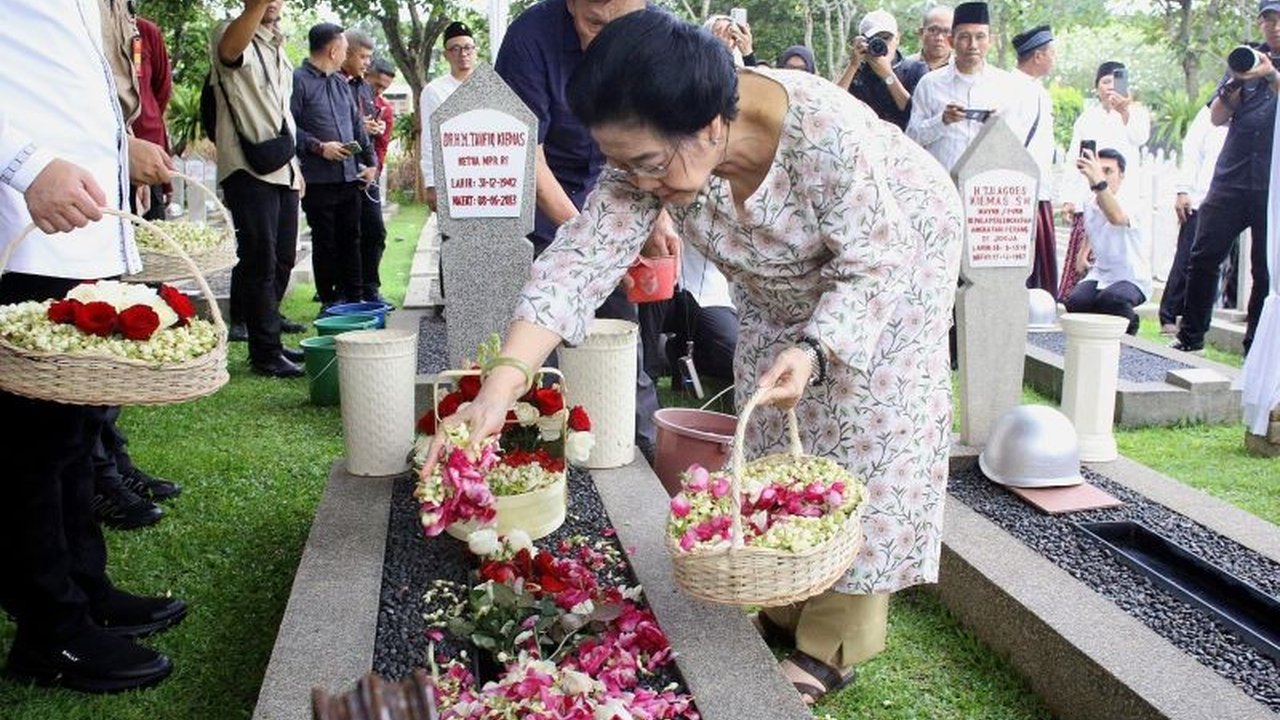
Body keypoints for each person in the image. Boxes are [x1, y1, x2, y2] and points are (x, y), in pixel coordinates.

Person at [437, 10, 962, 705]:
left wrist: (815, 347)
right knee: (771, 415)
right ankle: (783, 582)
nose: (638, 183)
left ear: (713, 125)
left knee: (866, 427)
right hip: (782, 284)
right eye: (621, 164)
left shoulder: (826, 134)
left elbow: (875, 262)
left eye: (648, 164)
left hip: (896, 260)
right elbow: (579, 262)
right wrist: (502, 385)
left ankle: (835, 639)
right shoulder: (650, 155)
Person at [1, 0, 185, 693]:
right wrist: (22, 162)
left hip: (78, 226)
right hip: (21, 225)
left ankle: (84, 590)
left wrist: (118, 148)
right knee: (28, 447)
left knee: (75, 430)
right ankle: (50, 633)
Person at [494, 0, 665, 462]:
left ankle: (637, 448)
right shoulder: (529, 37)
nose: (610, 41)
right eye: (594, 23)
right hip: (549, 207)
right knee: (545, 334)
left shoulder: (656, 32)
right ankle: (543, 451)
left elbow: (665, 138)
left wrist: (660, 213)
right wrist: (589, 240)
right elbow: (526, 151)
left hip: (626, 190)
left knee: (619, 333)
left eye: (623, 26)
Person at [1171, 0, 1278, 355]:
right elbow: (1217, 117)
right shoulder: (1246, 58)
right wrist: (1235, 81)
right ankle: (1191, 338)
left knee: (1264, 272)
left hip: (1273, 185)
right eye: (1269, 20)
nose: (1274, 27)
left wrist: (1270, 76)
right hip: (1231, 178)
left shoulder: (1269, 71)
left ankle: (1256, 349)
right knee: (1203, 256)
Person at [212, 0, 306, 378]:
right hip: (247, 167)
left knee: (283, 258)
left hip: (281, 166)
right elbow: (231, 52)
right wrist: (254, 7)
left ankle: (271, 339)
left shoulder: (278, 44)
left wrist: (295, 167)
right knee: (260, 260)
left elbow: (284, 114)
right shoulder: (230, 32)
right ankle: (264, 352)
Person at [292, 22, 376, 314]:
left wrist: (371, 163)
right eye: (344, 49)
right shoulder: (298, 81)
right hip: (318, 179)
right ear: (332, 50)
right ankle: (329, 301)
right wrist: (319, 146)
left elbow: (357, 127)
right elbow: (290, 129)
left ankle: (355, 297)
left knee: (351, 238)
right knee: (325, 241)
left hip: (348, 176)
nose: (346, 54)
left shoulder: (340, 83)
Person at [1058, 60, 1151, 300]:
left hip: (1122, 196)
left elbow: (1140, 137)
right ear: (1096, 86)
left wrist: (1125, 111)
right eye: (1105, 81)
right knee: (1085, 257)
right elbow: (1073, 158)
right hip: (1089, 193)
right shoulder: (1087, 119)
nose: (1110, 87)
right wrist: (1069, 198)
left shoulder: (1136, 113)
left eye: (1115, 81)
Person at [906, 2, 1033, 172]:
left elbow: (1018, 146)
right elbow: (911, 139)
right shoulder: (930, 84)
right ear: (952, 41)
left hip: (987, 187)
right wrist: (942, 121)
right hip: (942, 188)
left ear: (991, 41)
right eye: (965, 37)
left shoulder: (1007, 87)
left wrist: (998, 127)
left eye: (980, 37)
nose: (973, 45)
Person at [1062, 148, 1151, 335]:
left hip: (1132, 277)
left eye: (1108, 171)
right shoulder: (1090, 200)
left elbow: (1116, 218)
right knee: (1076, 301)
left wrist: (1099, 183)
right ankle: (1098, 336)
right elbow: (1093, 227)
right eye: (1099, 170)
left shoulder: (1133, 201)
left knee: (1111, 299)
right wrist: (1083, 252)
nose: (1102, 176)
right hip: (1101, 273)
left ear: (1122, 175)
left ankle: (1130, 325)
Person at [1159, 105, 1227, 335]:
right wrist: (1183, 189)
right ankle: (1169, 314)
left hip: (1234, 199)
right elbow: (1191, 151)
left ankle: (1197, 320)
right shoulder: (1213, 108)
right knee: (1187, 258)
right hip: (1200, 198)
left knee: (1217, 264)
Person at [638, 245, 738, 387]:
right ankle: (646, 379)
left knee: (732, 355)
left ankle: (680, 353)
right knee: (652, 290)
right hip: (651, 287)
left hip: (707, 294)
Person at [341, 29, 391, 306]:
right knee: (348, 235)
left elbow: (377, 141)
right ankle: (349, 293)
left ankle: (370, 289)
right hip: (342, 171)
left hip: (367, 170)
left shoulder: (363, 89)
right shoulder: (336, 83)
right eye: (363, 57)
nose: (365, 63)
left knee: (375, 231)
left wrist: (374, 166)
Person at [1011, 24, 1059, 293]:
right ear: (1038, 56)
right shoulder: (1012, 88)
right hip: (1022, 193)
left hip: (1038, 189)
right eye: (1051, 53)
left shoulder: (1038, 90)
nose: (1054, 58)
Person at [837, 9, 927, 130]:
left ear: (897, 38)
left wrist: (888, 75)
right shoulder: (855, 72)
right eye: (874, 39)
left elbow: (915, 114)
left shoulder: (915, 69)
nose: (881, 44)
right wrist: (853, 65)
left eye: (886, 38)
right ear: (862, 41)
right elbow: (834, 105)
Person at [420, 21, 477, 213]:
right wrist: (432, 184)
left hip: (486, 176)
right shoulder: (434, 90)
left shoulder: (488, 86)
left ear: (475, 51)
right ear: (446, 54)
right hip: (452, 177)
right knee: (454, 238)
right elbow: (429, 139)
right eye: (456, 49)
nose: (463, 54)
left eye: (468, 47)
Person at [905, 5, 953, 71]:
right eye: (933, 31)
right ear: (921, 32)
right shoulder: (905, 67)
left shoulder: (962, 69)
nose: (939, 38)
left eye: (946, 32)